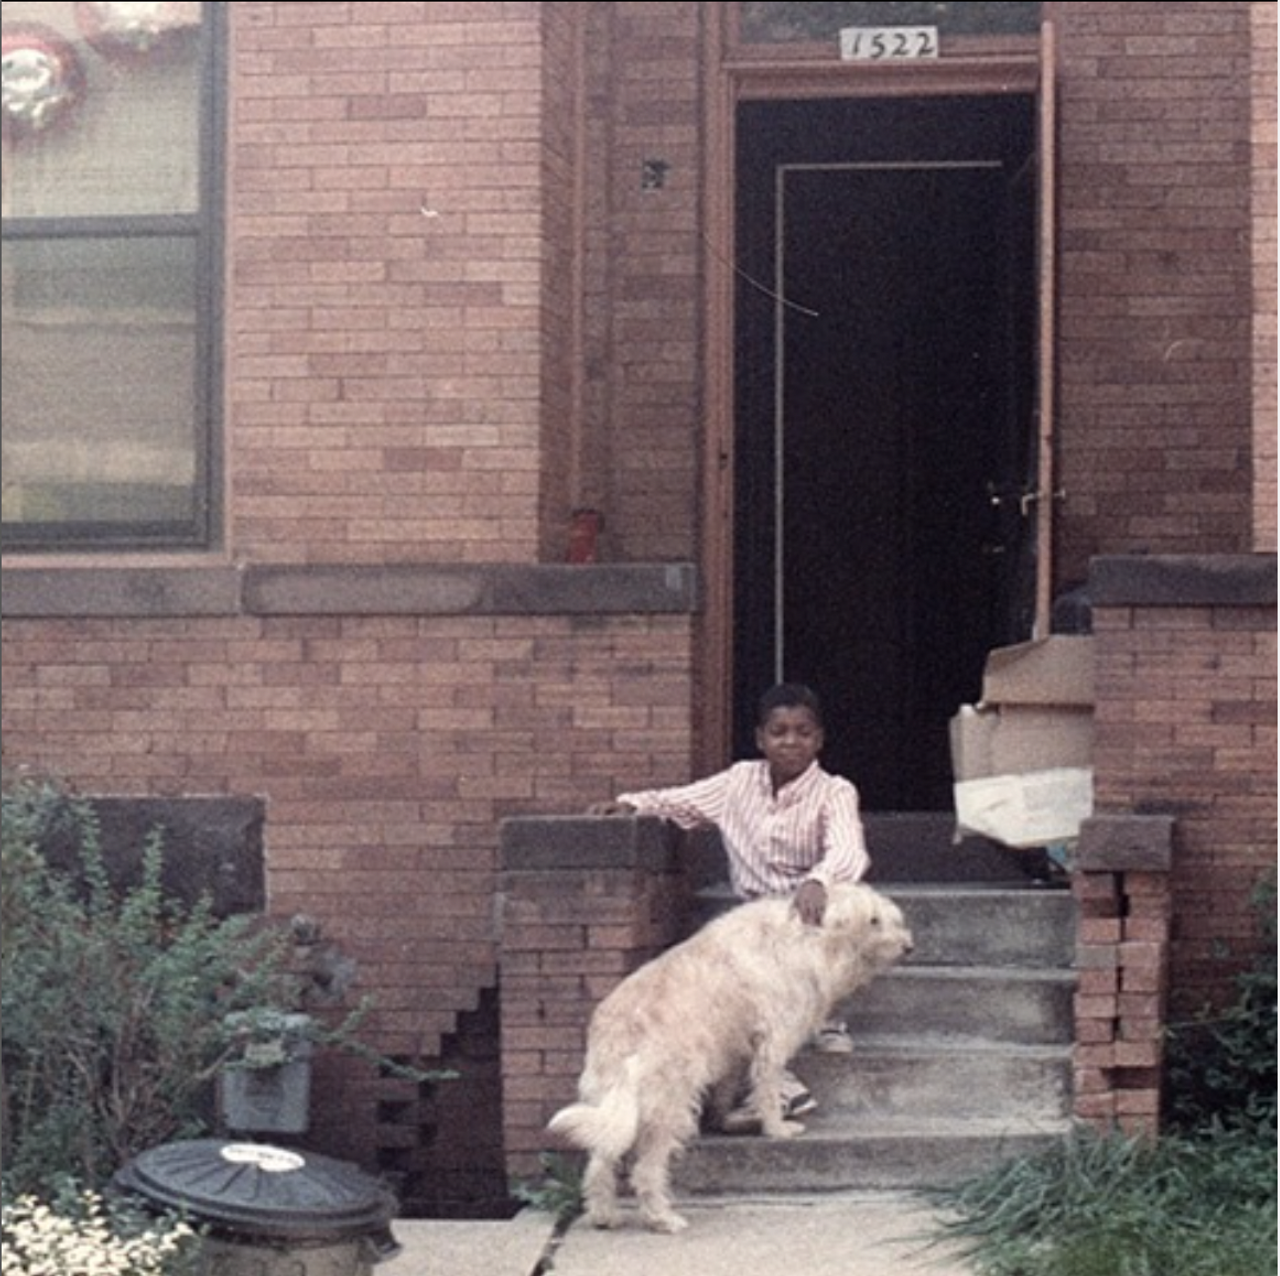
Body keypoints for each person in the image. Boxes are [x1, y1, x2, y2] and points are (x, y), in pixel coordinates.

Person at [590, 682, 871, 1121]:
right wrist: (631, 805)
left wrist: (819, 880)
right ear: (761, 738)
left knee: (793, 957)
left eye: (803, 732)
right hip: (756, 921)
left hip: (812, 915)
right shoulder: (738, 781)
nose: (791, 742)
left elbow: (848, 851)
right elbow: (680, 801)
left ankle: (814, 1027)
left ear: (819, 739)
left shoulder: (836, 791)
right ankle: (775, 1088)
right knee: (725, 988)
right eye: (779, 732)